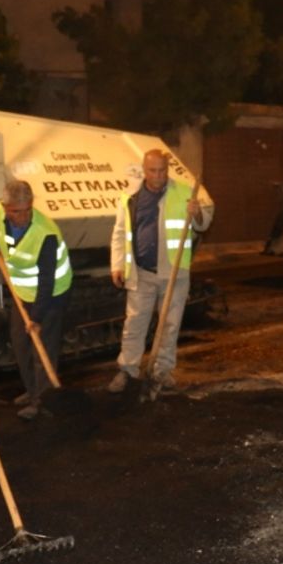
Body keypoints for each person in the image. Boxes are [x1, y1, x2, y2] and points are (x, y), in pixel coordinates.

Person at [107, 149, 214, 394]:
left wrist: (197, 213)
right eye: (153, 171)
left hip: (174, 272)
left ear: (168, 169)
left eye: (162, 170)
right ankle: (127, 370)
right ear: (144, 170)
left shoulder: (184, 192)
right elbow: (120, 232)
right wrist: (117, 264)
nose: (158, 176)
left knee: (170, 325)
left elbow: (204, 224)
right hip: (141, 272)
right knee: (134, 323)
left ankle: (162, 371)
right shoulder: (131, 197)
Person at [0, 180, 72, 420]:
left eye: (27, 210)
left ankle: (42, 401)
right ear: (6, 208)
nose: (23, 217)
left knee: (42, 349)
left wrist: (36, 318)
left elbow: (47, 282)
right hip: (23, 292)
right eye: (16, 212)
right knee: (20, 343)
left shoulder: (45, 234)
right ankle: (32, 390)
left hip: (51, 296)